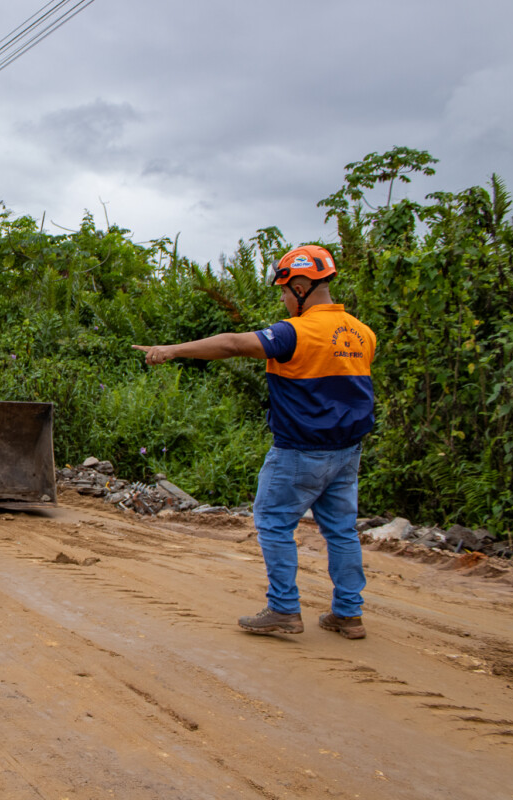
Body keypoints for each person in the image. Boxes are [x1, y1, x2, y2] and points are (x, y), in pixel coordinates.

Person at [134, 245, 376, 639]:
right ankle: (348, 614)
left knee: (274, 523)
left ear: (300, 287)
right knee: (342, 530)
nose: (283, 300)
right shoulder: (362, 333)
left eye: (284, 291)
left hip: (299, 451)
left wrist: (172, 350)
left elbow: (232, 344)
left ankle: (283, 608)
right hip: (347, 453)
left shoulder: (294, 332)